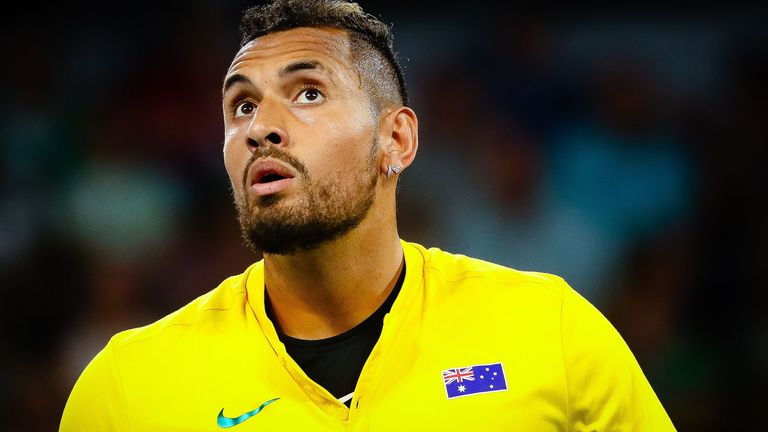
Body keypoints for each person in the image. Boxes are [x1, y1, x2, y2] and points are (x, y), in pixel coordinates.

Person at [60, 0, 676, 430]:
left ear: (397, 141)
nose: (261, 128)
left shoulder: (553, 331)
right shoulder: (125, 388)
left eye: (308, 93)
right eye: (241, 106)